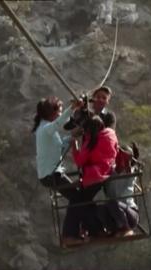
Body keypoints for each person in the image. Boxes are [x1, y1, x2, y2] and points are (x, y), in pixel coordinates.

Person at [32, 96, 86, 245]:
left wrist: (72, 136)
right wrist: (73, 108)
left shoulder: (46, 129)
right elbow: (58, 123)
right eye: (59, 111)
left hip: (52, 174)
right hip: (51, 175)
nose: (60, 114)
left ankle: (78, 229)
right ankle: (69, 234)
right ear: (51, 112)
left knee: (77, 197)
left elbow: (60, 145)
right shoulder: (46, 128)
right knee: (76, 197)